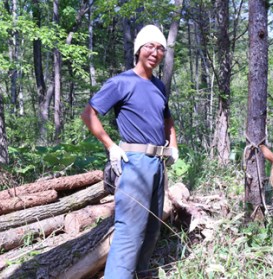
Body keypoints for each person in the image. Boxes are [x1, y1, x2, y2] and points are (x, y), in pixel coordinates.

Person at [80, 24, 178, 279]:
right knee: (129, 231)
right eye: (149, 46)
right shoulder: (122, 82)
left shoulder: (159, 87)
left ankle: (140, 275)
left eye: (159, 48)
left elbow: (167, 119)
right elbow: (89, 113)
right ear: (138, 50)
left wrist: (173, 145)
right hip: (134, 162)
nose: (155, 53)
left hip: (158, 164)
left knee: (152, 228)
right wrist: (110, 145)